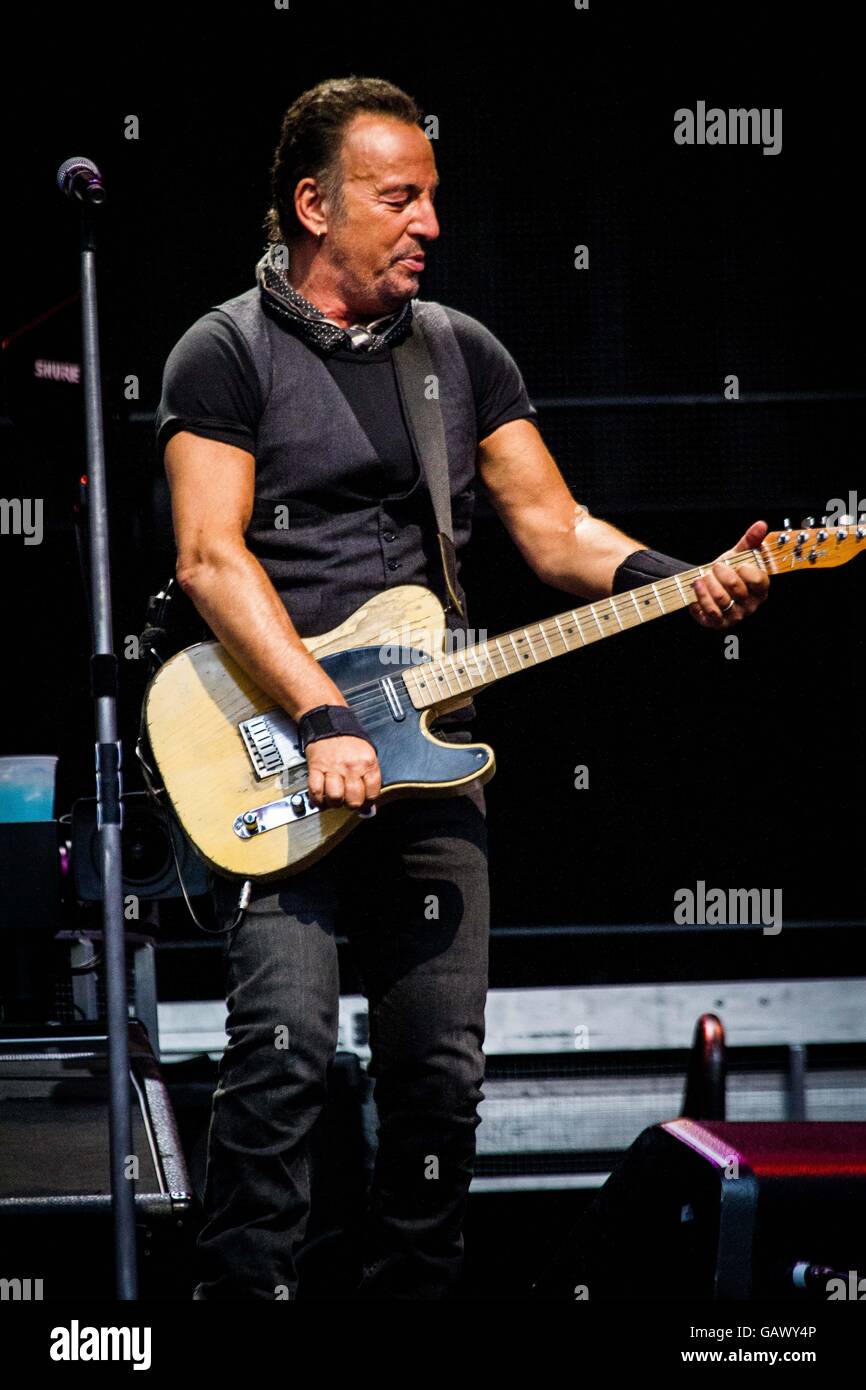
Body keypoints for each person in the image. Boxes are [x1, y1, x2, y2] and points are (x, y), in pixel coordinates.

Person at [156, 76, 769, 1300]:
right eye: (401, 198)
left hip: (430, 762)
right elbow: (210, 558)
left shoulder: (456, 354)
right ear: (312, 204)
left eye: (433, 197)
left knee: (439, 1082)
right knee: (280, 1061)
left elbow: (554, 529)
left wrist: (682, 576)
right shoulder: (224, 351)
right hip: (278, 749)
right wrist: (322, 715)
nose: (430, 221)